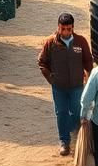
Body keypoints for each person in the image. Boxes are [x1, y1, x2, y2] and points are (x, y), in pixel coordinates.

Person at [38, 13, 93, 156]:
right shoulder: (50, 43)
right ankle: (64, 142)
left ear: (73, 28)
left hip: (77, 86)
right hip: (59, 87)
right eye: (63, 29)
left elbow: (87, 61)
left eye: (69, 29)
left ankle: (75, 132)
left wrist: (89, 76)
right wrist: (51, 78)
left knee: (77, 112)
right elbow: (42, 62)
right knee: (61, 113)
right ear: (58, 27)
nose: (66, 32)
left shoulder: (81, 42)